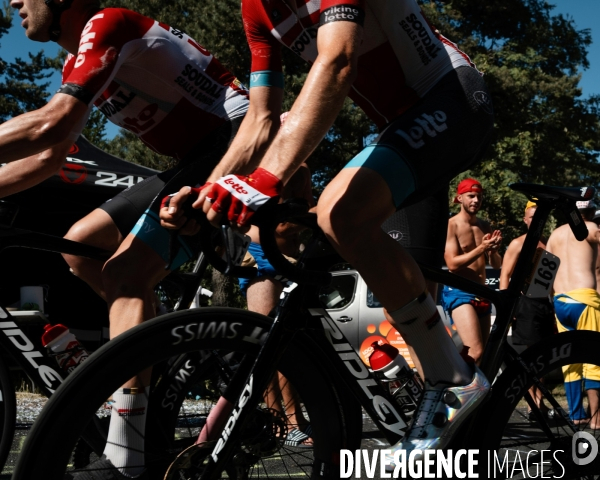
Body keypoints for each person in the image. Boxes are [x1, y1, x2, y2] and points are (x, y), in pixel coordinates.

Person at [161, 0, 495, 458]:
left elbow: (337, 62)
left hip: (452, 97)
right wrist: (207, 193)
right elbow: (261, 119)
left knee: (338, 211)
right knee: (397, 289)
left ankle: (456, 378)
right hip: (401, 127)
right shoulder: (256, 11)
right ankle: (453, 407)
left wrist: (264, 179)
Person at [6, 0, 249, 477]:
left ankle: (126, 455)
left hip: (238, 142)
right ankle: (154, 351)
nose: (14, 1)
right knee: (81, 244)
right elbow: (51, 157)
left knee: (124, 270)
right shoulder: (75, 61)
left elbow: (48, 125)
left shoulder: (108, 23)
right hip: (193, 158)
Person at [546, 200, 600, 428]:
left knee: (570, 361)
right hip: (585, 299)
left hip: (560, 301)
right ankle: (597, 418)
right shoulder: (593, 229)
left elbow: (543, 275)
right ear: (589, 212)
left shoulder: (554, 235)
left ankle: (577, 415)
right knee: (594, 358)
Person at [500, 200, 555, 419]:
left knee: (543, 358)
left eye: (539, 217)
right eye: (532, 217)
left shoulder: (549, 244)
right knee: (532, 357)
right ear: (525, 220)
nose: (536, 221)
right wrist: (507, 304)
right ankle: (532, 404)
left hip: (544, 304)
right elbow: (504, 274)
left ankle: (538, 405)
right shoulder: (518, 243)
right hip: (524, 304)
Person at [443, 178, 502, 364]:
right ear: (459, 198)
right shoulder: (451, 225)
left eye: (479, 197)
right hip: (459, 292)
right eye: (471, 196)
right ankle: (456, 390)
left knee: (482, 356)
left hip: (481, 292)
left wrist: (492, 251)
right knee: (474, 352)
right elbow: (452, 264)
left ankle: (480, 392)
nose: (476, 200)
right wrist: (482, 249)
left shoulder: (484, 226)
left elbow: (496, 265)